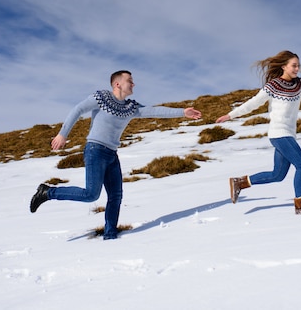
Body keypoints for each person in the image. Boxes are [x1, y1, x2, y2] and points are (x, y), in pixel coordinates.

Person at [30, 70, 202, 239]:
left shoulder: (130, 107)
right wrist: (62, 134)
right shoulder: (101, 98)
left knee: (116, 196)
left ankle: (110, 235)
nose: (133, 84)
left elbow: (154, 111)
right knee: (91, 194)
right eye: (130, 80)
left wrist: (182, 112)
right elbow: (78, 109)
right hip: (95, 150)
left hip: (112, 154)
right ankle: (47, 192)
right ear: (117, 84)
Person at [216, 50, 301, 214]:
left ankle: (240, 182)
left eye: (298, 66)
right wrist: (230, 115)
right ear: (284, 66)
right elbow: (252, 103)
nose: (296, 69)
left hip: (289, 134)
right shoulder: (272, 86)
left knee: (277, 175)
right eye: (293, 66)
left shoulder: (299, 85)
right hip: (279, 134)